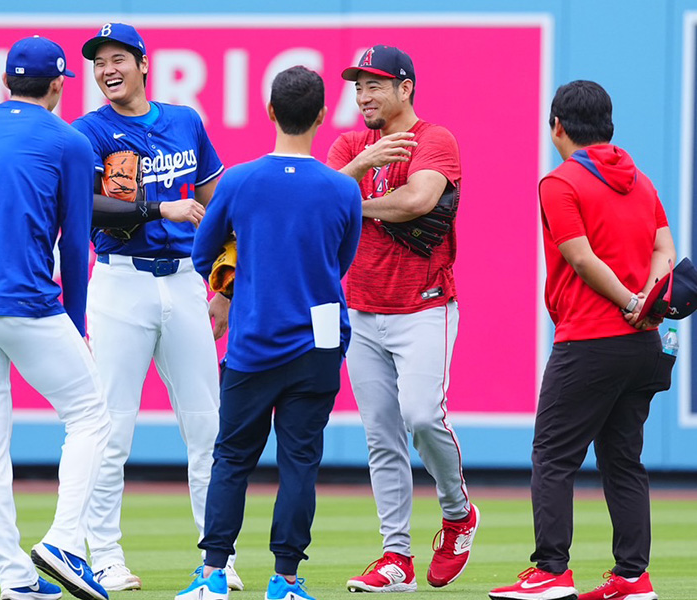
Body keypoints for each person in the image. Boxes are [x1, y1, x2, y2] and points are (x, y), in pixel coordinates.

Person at [0, 36, 111, 600]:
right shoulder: (68, 141)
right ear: (57, 84)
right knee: (89, 414)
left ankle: (15, 579)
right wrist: (77, 321)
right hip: (24, 302)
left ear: (6, 82)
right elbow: (75, 242)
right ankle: (61, 541)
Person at [175, 65, 362, 600]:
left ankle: (213, 574)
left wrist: (238, 269)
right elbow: (340, 260)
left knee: (231, 458)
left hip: (253, 342)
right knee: (300, 462)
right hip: (318, 344)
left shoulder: (238, 180)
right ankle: (284, 580)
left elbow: (202, 252)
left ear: (271, 112)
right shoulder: (341, 188)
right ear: (323, 116)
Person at [70, 23, 241, 592]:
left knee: (208, 429)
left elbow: (217, 204)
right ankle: (106, 557)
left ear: (144, 63)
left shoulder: (185, 121)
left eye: (117, 58)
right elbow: (94, 208)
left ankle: (217, 559)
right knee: (112, 428)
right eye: (98, 62)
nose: (106, 69)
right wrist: (158, 208)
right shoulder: (89, 132)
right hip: (121, 284)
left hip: (186, 285)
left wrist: (223, 287)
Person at [489, 80, 675, 600]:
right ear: (608, 126)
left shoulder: (560, 182)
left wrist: (626, 300)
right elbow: (665, 245)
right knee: (624, 461)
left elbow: (581, 257)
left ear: (558, 127)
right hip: (645, 344)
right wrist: (647, 299)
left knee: (552, 455)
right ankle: (632, 578)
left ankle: (550, 570)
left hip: (591, 339)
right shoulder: (639, 179)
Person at [326, 45, 480, 592]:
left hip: (425, 303)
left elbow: (417, 201)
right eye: (358, 86)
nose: (364, 95)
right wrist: (354, 175)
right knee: (380, 437)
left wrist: (354, 200)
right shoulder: (350, 145)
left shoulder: (434, 139)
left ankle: (458, 512)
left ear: (405, 87)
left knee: (420, 416)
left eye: (375, 85)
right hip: (363, 308)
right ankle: (397, 558)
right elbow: (319, 200)